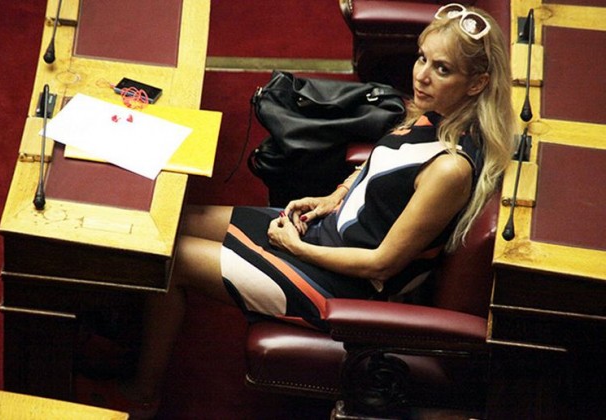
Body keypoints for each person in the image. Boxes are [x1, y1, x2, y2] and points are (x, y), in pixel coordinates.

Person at [78, 4, 515, 418]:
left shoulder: (450, 169)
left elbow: (382, 263)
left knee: (171, 261)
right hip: (325, 234)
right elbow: (380, 167)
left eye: (443, 69)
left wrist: (295, 248)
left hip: (338, 284)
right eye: (422, 59)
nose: (421, 75)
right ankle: (122, 331)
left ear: (476, 84)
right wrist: (334, 196)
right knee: (174, 217)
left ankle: (144, 394)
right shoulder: (434, 115)